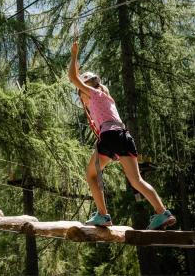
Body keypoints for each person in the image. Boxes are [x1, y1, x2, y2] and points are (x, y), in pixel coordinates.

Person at [68, 40, 176, 230]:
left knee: (91, 175)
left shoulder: (95, 94)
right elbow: (78, 79)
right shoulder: (105, 98)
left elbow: (72, 77)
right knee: (136, 180)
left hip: (110, 137)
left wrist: (74, 54)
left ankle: (103, 215)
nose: (81, 96)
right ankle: (162, 212)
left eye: (81, 92)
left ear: (87, 88)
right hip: (123, 136)